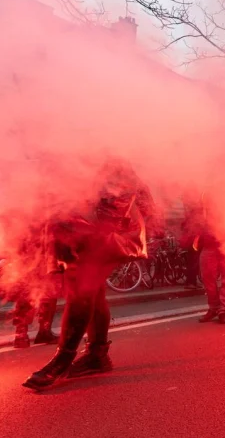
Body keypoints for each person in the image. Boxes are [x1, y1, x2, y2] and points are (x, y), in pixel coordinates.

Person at [23, 160, 157, 390]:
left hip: (108, 231)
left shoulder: (100, 151)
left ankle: (63, 360)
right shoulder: (62, 153)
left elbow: (120, 196)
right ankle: (97, 355)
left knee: (82, 287)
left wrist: (94, 237)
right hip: (78, 230)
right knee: (93, 291)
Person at [194, 195, 225, 324]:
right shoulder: (204, 204)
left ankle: (223, 310)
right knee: (208, 280)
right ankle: (214, 308)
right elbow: (196, 222)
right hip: (208, 246)